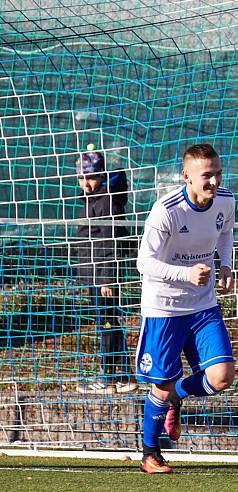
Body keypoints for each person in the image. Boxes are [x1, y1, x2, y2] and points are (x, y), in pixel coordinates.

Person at [135, 143, 236, 474]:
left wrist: (226, 266)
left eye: (217, 173)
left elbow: (225, 232)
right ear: (187, 177)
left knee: (222, 377)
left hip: (203, 304)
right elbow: (143, 262)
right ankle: (151, 453)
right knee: (159, 386)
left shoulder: (225, 201)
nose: (214, 182)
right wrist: (186, 273)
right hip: (164, 307)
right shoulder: (166, 210)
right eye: (207, 176)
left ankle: (178, 395)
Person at [73, 150, 138, 395]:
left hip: (103, 276)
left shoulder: (107, 201)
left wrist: (107, 278)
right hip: (93, 273)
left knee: (108, 323)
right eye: (80, 178)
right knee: (107, 323)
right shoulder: (94, 198)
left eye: (89, 177)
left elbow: (111, 240)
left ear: (101, 175)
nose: (85, 183)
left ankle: (111, 378)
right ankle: (123, 376)